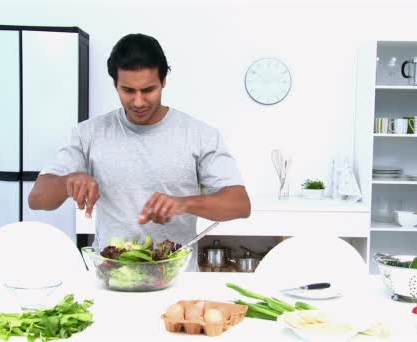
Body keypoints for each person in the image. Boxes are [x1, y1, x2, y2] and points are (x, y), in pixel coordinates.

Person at [28, 33, 251, 270]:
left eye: (148, 90)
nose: (138, 102)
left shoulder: (200, 135)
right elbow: (37, 199)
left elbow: (239, 204)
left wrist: (184, 203)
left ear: (164, 81)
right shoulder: (89, 134)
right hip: (110, 277)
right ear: (115, 84)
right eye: (127, 90)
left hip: (176, 280)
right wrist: (68, 182)